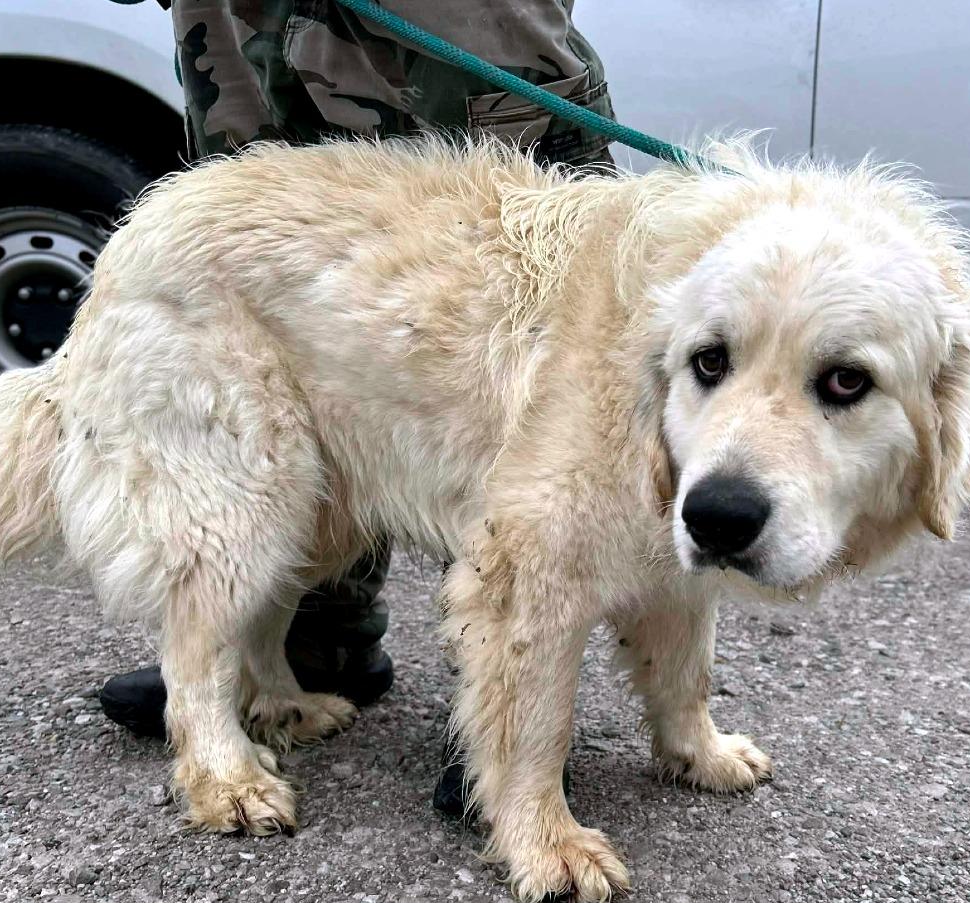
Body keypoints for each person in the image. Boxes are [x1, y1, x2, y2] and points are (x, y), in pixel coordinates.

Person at [101, 0, 614, 815]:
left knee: (529, 367)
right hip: (241, 28)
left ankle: (513, 705)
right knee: (295, 352)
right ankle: (300, 648)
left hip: (453, 29)